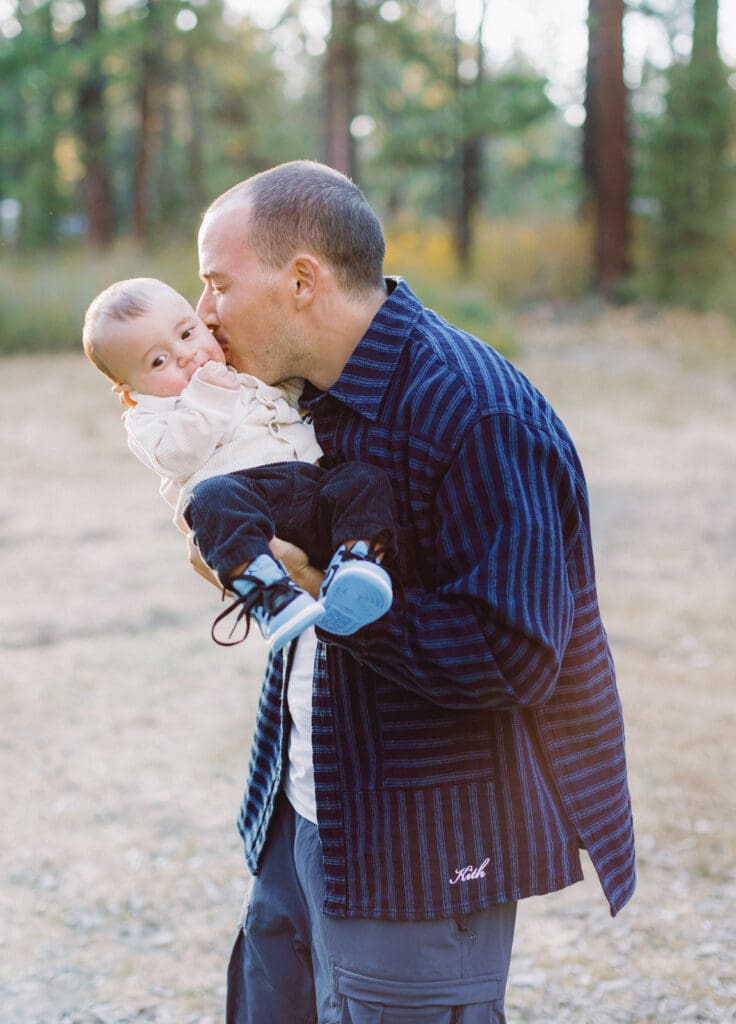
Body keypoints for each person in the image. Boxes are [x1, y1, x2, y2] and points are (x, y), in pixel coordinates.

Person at [191, 160, 636, 1023]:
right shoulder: (302, 398)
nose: (203, 312)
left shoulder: (474, 412)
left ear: (303, 280)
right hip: (302, 812)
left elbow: (514, 656)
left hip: (424, 851)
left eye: (216, 284)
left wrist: (313, 580)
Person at [82, 277, 397, 653]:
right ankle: (269, 595)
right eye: (158, 360)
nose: (184, 355)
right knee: (209, 499)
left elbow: (297, 385)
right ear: (128, 390)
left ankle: (354, 563)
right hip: (243, 505)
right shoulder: (150, 413)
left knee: (362, 479)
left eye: (187, 333)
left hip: (310, 492)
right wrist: (208, 396)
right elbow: (174, 456)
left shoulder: (242, 371)